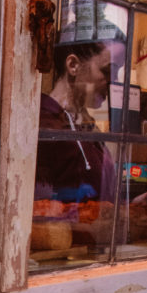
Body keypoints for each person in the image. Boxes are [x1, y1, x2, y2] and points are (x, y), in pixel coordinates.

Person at [34, 31, 125, 206]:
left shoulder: (84, 126)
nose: (113, 82)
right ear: (73, 65)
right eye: (107, 71)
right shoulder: (45, 125)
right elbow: (39, 207)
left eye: (117, 73)